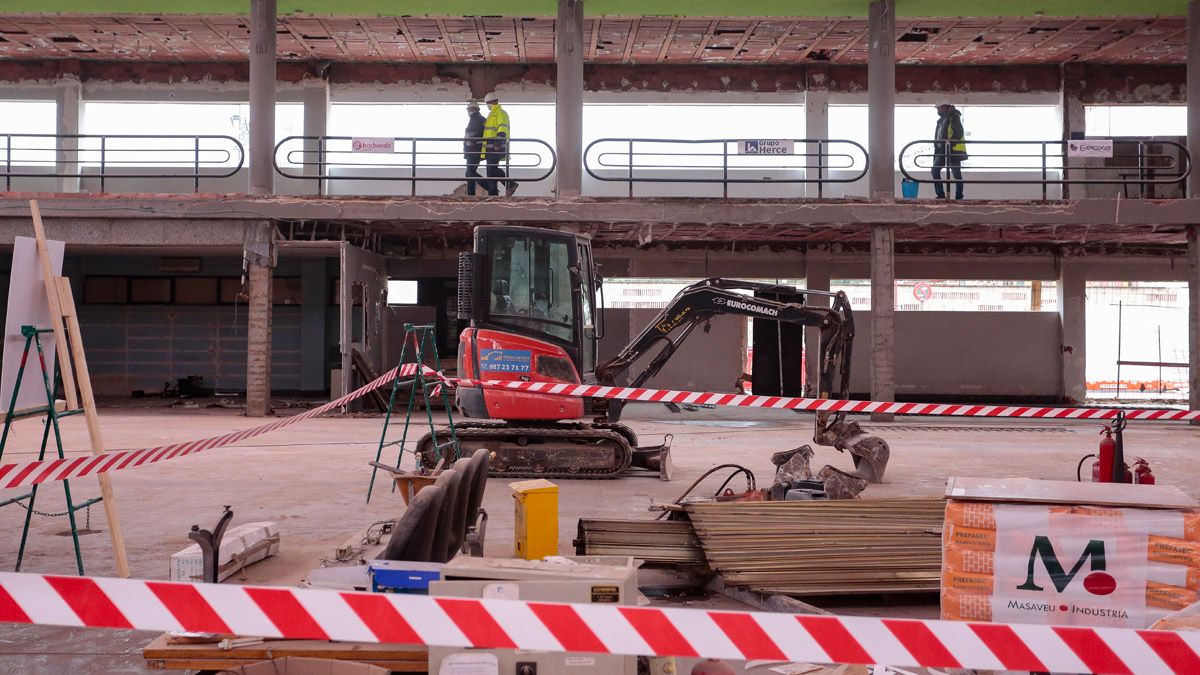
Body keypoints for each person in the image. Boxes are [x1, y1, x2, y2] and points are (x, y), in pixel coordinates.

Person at [481, 93, 519, 197]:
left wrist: (497, 144)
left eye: (487, 103)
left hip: (496, 146)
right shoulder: (491, 115)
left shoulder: (501, 113)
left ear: (492, 102)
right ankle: (493, 193)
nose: (487, 105)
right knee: (490, 171)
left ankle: (510, 184)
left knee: (492, 169)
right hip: (490, 148)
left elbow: (502, 130)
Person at [932, 103, 967, 200]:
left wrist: (949, 144)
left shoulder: (954, 117)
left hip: (954, 150)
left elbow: (958, 132)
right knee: (935, 170)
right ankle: (941, 195)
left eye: (939, 108)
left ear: (945, 107)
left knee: (956, 174)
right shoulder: (941, 120)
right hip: (943, 151)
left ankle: (959, 196)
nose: (938, 110)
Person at [463, 100, 486, 196]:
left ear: (473, 109)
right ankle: (470, 192)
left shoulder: (476, 119)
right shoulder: (477, 119)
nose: (468, 111)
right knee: (469, 172)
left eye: (469, 109)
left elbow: (472, 136)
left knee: (470, 172)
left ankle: (488, 186)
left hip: (474, 150)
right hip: (473, 150)